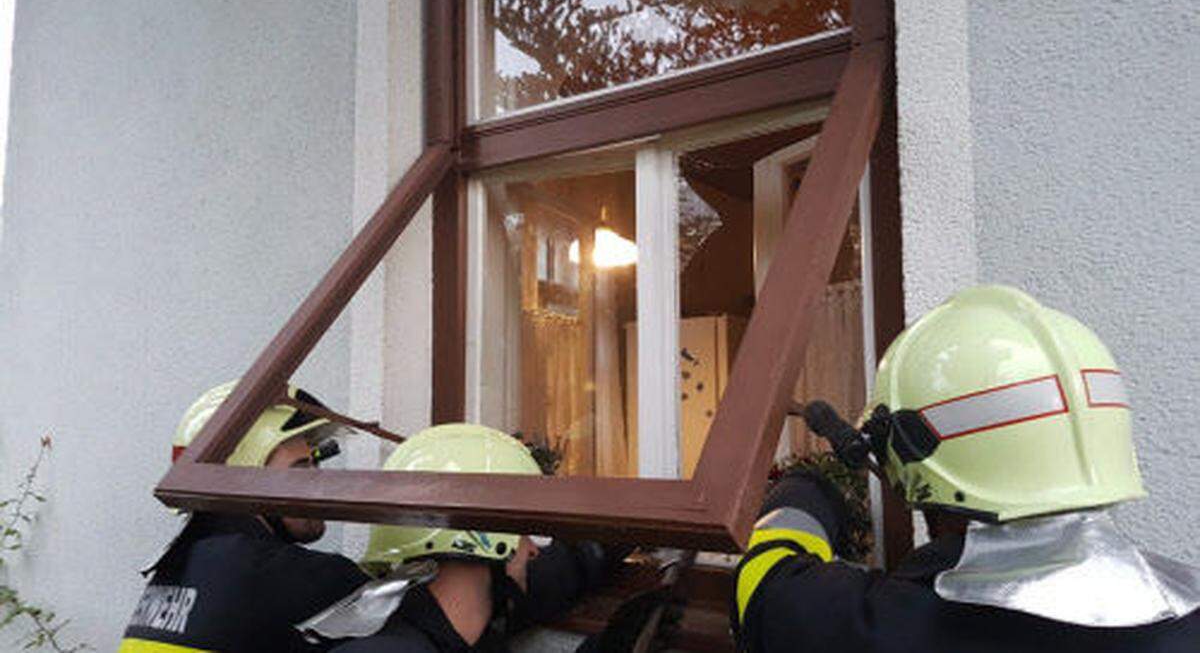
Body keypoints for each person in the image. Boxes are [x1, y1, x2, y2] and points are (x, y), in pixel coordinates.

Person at [732, 285, 1200, 652]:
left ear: (912, 454)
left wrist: (808, 486)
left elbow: (762, 583)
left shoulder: (884, 631)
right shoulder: (1188, 611)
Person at [312, 424, 620, 652]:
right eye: (523, 532)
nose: (532, 550)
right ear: (481, 539)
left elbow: (562, 571)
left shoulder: (461, 628)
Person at [119, 381, 371, 652]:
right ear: (244, 476)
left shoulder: (176, 565)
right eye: (302, 467)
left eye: (315, 462)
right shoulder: (268, 570)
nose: (318, 481)